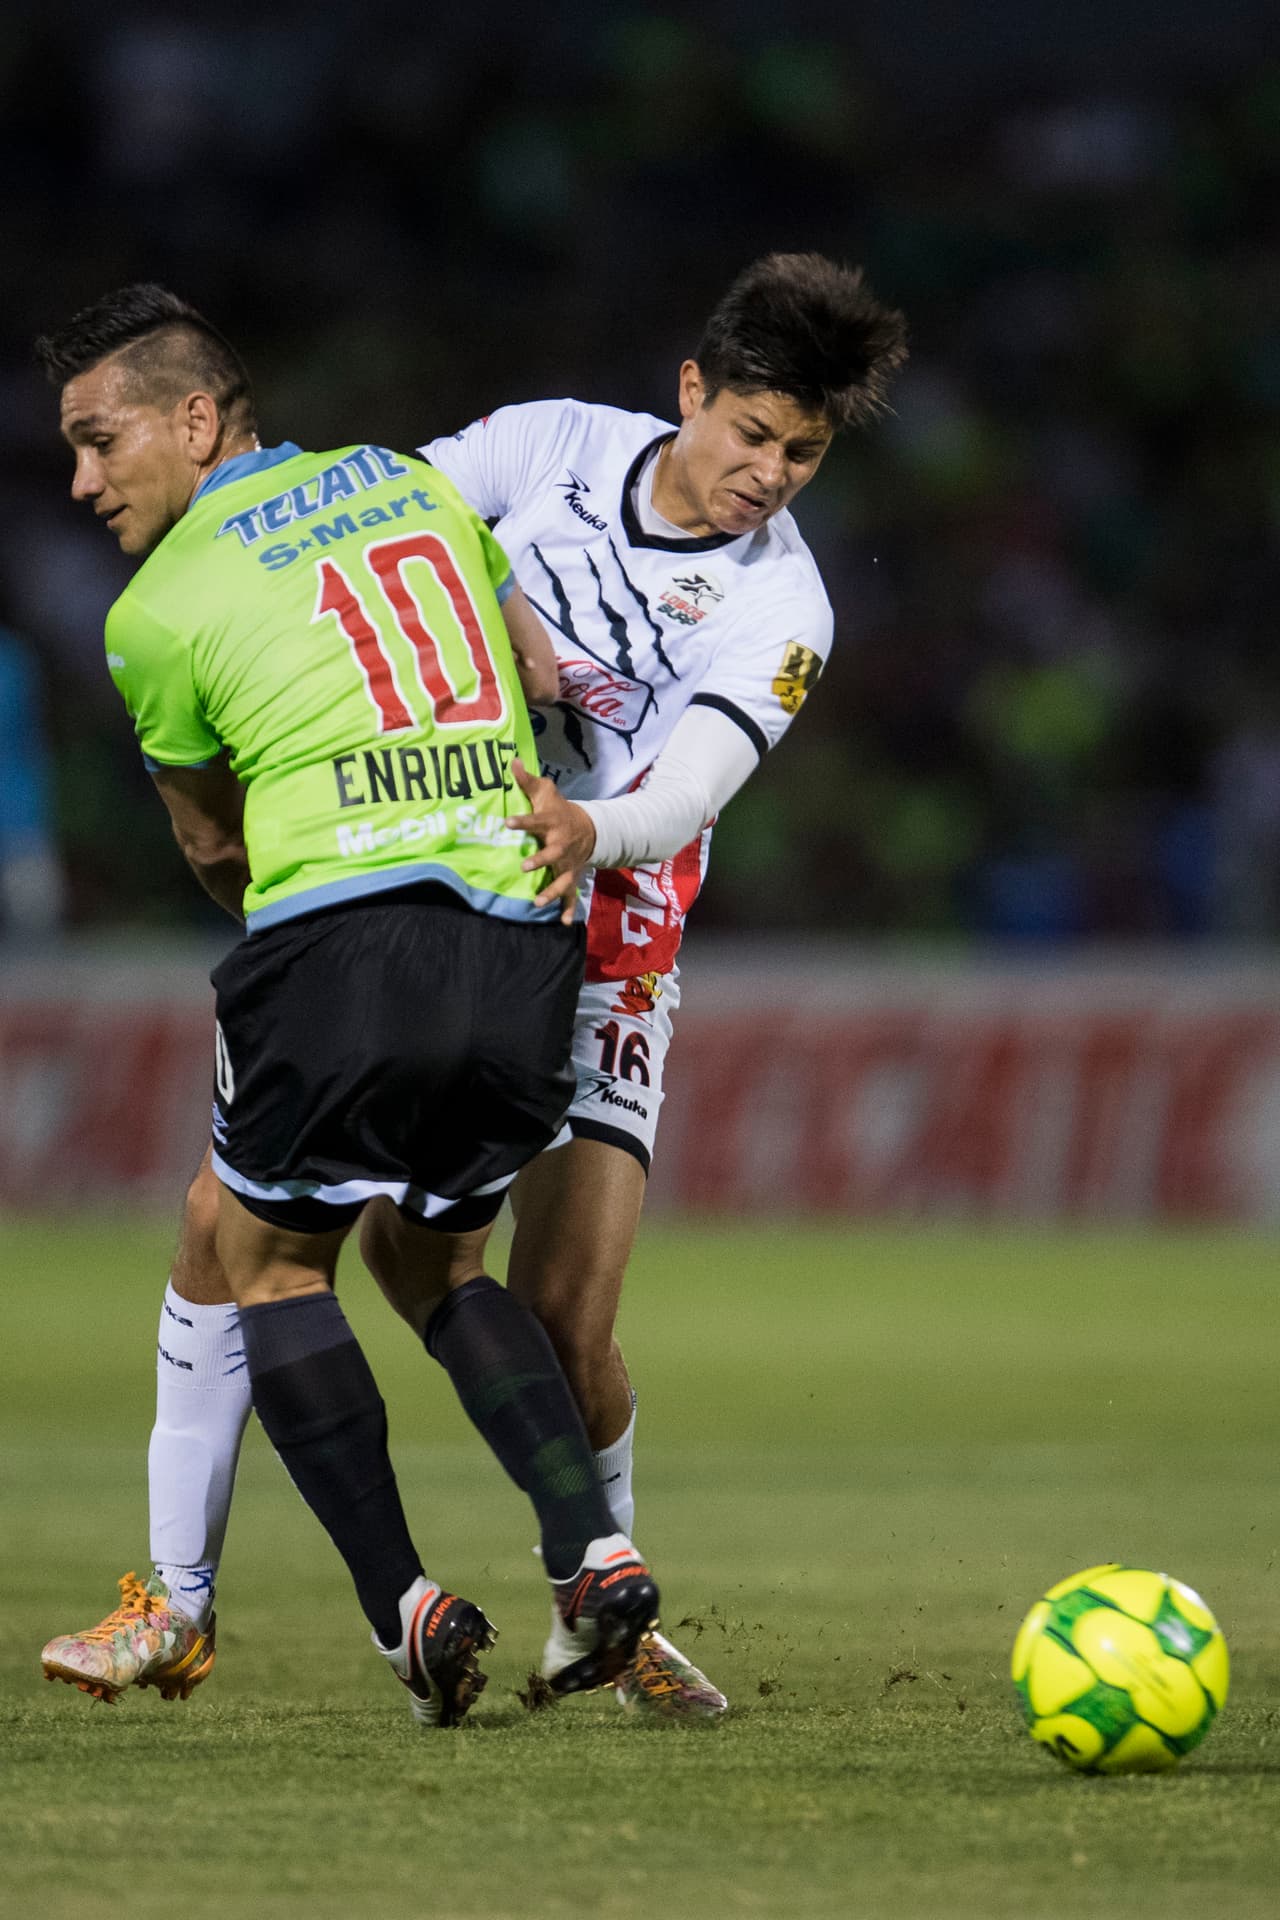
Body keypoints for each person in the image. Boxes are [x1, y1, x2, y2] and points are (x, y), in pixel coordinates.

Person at [41, 255, 908, 1718]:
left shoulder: (789, 611)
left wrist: (580, 824)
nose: (770, 475)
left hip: (606, 918)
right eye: (753, 433)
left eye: (803, 454)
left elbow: (689, 793)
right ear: (690, 393)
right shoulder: (547, 444)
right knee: (253, 1230)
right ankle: (175, 1603)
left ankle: (607, 1601)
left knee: (555, 1313)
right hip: (456, 869)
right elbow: (380, 523)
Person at [34, 284, 661, 1727]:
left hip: (341, 944)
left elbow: (210, 848)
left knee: (263, 1262)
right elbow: (525, 655)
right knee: (437, 1264)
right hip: (520, 940)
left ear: (197, 422)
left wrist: (330, 904)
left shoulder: (155, 611)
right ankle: (595, 1548)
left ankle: (397, 1607)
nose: (80, 480)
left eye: (98, 438)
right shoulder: (401, 482)